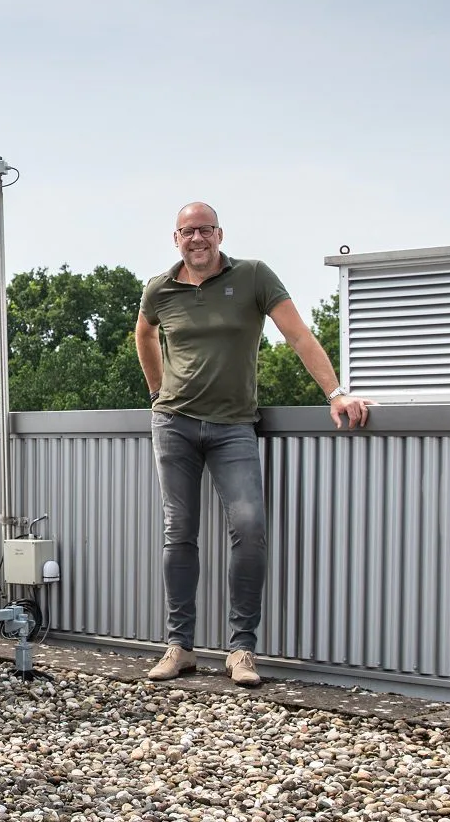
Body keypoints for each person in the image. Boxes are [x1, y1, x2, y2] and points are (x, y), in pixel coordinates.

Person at [133, 202, 371, 687]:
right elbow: (144, 335)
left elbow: (299, 335)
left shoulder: (255, 276)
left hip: (233, 426)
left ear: (219, 234)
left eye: (205, 230)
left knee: (249, 527)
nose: (197, 239)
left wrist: (336, 393)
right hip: (174, 424)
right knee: (179, 532)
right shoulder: (160, 288)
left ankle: (241, 650)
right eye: (187, 231)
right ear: (174, 238)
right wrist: (157, 394)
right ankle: (179, 646)